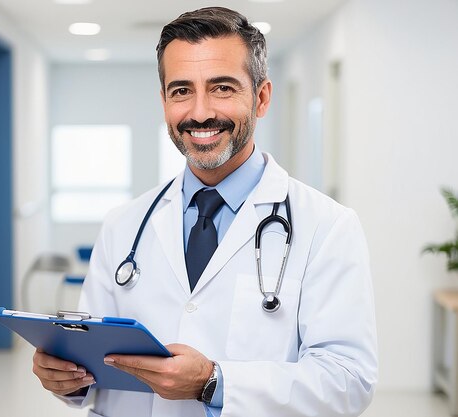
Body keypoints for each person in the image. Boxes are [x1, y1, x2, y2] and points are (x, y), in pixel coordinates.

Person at [33, 6, 378, 417]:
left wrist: (215, 382)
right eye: (181, 91)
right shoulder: (124, 224)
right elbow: (93, 361)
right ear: (163, 101)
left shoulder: (327, 226)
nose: (199, 112)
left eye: (222, 88)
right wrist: (67, 379)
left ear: (262, 97)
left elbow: (349, 380)